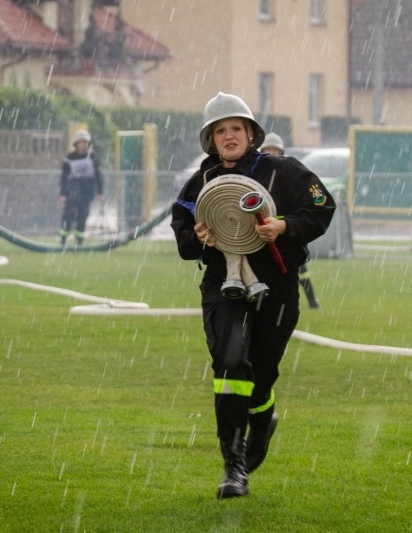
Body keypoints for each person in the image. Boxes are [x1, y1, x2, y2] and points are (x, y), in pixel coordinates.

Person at [171, 92, 335, 499]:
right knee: (230, 364)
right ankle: (233, 466)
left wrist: (285, 226)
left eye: (235, 129)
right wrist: (196, 236)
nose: (229, 136)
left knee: (260, 375)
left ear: (250, 133)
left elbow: (323, 207)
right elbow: (183, 240)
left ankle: (263, 418)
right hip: (222, 287)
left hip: (277, 285)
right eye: (220, 130)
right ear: (210, 139)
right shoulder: (199, 183)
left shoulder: (285, 170)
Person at [259, 133, 322, 309]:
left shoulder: (290, 175)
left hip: (288, 235)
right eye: (267, 150)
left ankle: (312, 300)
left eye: (274, 150)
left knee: (300, 270)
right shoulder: (258, 176)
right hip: (265, 234)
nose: (271, 153)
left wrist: (287, 224)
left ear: (281, 151)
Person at [59, 129, 103, 246]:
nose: (82, 144)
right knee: (68, 216)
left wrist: (100, 192)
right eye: (80, 142)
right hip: (72, 191)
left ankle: (79, 241)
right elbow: (64, 177)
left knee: (82, 216)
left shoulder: (92, 157)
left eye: (84, 142)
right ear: (76, 143)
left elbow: (98, 175)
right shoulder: (69, 158)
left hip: (87, 191)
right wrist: (63, 193)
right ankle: (63, 239)